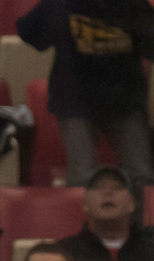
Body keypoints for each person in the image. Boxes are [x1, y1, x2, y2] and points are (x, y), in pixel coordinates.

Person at [17, 0, 154, 210]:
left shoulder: (131, 3)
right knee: (81, 178)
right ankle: (83, 236)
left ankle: (142, 236)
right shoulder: (62, 3)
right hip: (75, 101)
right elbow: (29, 33)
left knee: (140, 176)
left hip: (125, 100)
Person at [57, 165, 154, 261]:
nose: (108, 192)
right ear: (85, 204)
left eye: (117, 188)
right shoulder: (65, 251)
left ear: (132, 204)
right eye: (97, 188)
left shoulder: (151, 246)